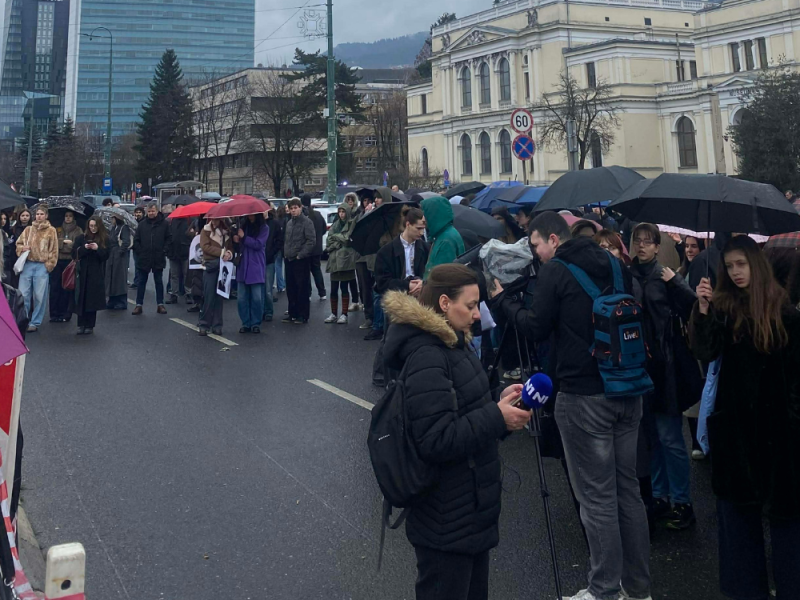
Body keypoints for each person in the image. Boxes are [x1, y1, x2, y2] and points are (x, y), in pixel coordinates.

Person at [492, 212, 651, 600]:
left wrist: (501, 302)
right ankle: (638, 589)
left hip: (584, 395)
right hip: (628, 387)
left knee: (596, 498)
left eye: (535, 246)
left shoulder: (556, 271)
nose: (536, 255)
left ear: (553, 239)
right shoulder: (615, 264)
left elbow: (535, 326)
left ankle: (603, 590)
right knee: (627, 491)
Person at [382, 264, 531, 600]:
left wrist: (501, 407)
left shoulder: (453, 343)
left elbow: (469, 412)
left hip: (469, 513)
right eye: (471, 305)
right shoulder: (427, 355)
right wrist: (495, 417)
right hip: (445, 518)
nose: (478, 315)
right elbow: (436, 439)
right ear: (445, 303)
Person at [690, 235, 800, 600]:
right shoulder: (722, 307)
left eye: (742, 264)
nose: (736, 272)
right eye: (730, 266)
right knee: (738, 526)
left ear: (756, 263)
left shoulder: (784, 312)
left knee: (787, 525)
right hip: (736, 433)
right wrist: (702, 310)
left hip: (780, 433)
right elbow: (704, 351)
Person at [629, 223, 699, 531]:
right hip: (639, 366)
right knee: (652, 439)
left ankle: (682, 501)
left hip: (665, 367)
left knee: (670, 438)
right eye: (638, 241)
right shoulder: (628, 275)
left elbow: (692, 308)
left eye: (648, 242)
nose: (642, 246)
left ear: (658, 247)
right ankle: (659, 496)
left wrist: (676, 284)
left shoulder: (665, 275)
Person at [15, 207, 58, 333]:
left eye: (41, 214)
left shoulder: (51, 230)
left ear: (46, 215)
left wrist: (49, 265)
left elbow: (54, 250)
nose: (39, 216)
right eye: (37, 214)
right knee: (24, 294)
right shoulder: (28, 229)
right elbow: (18, 243)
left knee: (39, 296)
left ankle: (35, 321)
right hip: (28, 264)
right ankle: (24, 319)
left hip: (41, 265)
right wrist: (22, 248)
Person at [72, 217, 110, 334]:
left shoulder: (104, 239)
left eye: (95, 226)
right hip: (82, 271)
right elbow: (74, 253)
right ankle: (81, 324)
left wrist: (97, 249)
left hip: (95, 272)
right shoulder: (81, 238)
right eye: (91, 226)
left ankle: (90, 325)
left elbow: (105, 256)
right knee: (81, 297)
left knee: (91, 299)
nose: (92, 228)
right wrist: (84, 248)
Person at [132, 203, 171, 315]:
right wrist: (140, 251)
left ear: (157, 211)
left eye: (153, 211)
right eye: (149, 211)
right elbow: (137, 239)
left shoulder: (164, 224)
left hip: (158, 257)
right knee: (141, 282)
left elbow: (169, 238)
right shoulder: (142, 224)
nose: (151, 213)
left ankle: (160, 304)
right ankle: (138, 305)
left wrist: (164, 250)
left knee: (158, 282)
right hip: (144, 258)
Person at [282, 198, 315, 324]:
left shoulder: (307, 222)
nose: (293, 210)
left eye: (295, 208)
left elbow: (311, 241)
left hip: (301, 260)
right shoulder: (289, 223)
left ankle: (303, 315)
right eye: (291, 209)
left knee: (302, 288)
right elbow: (287, 240)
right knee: (291, 288)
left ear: (300, 208)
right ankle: (293, 313)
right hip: (289, 259)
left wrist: (301, 255)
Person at [235, 213, 269, 334]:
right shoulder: (243, 225)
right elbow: (239, 246)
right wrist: (237, 241)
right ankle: (245, 322)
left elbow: (258, 244)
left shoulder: (264, 228)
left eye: (253, 214)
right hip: (243, 265)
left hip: (255, 265)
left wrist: (244, 238)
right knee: (241, 298)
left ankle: (255, 323)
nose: (250, 216)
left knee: (257, 298)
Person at [324, 204, 357, 324]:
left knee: (344, 287)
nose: (341, 214)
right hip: (334, 259)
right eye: (340, 212)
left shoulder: (351, 223)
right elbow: (329, 239)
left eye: (343, 212)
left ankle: (344, 314)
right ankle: (333, 313)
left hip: (346, 259)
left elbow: (348, 239)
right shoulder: (336, 224)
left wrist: (337, 239)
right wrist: (339, 240)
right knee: (333, 288)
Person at [198, 218, 233, 335]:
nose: (214, 221)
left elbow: (231, 247)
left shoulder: (226, 232)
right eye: (212, 219)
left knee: (219, 297)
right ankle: (204, 324)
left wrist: (229, 253)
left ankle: (217, 325)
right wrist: (222, 252)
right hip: (210, 266)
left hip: (223, 267)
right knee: (208, 296)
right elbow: (205, 247)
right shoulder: (205, 230)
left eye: (216, 219)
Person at [420, 196, 465, 280]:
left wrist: (424, 285)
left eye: (425, 214)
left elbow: (441, 278)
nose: (423, 219)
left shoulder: (446, 240)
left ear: (434, 214)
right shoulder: (444, 234)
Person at [50, 210, 82, 322]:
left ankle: (65, 313)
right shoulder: (57, 229)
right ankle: (54, 313)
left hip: (70, 262)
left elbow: (76, 245)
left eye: (70, 216)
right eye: (66, 216)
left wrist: (66, 245)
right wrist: (63, 242)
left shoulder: (78, 230)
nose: (68, 218)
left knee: (67, 288)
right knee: (55, 287)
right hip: (57, 261)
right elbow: (53, 243)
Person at [300, 193, 327, 301]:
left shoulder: (304, 216)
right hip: (317, 248)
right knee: (317, 270)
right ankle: (322, 292)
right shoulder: (318, 215)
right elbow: (324, 229)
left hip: (306, 248)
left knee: (306, 272)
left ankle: (309, 293)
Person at [165, 210, 194, 305]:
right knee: (174, 275)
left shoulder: (190, 220)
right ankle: (174, 294)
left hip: (185, 251)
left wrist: (191, 234)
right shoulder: (170, 220)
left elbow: (193, 236)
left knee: (187, 275)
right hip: (173, 251)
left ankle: (188, 294)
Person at [105, 215, 131, 310]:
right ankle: (112, 300)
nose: (111, 220)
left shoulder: (124, 228)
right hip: (111, 255)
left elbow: (126, 242)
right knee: (111, 278)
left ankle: (121, 301)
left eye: (113, 218)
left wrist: (120, 252)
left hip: (119, 257)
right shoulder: (112, 228)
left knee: (119, 279)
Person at [263, 208, 284, 322]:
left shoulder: (274, 223)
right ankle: (260, 311)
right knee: (259, 289)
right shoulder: (257, 224)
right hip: (258, 261)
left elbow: (279, 240)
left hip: (269, 259)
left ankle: (268, 311)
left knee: (267, 289)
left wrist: (272, 253)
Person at [274, 204, 287, 294]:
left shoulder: (276, 221)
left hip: (277, 246)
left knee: (278, 266)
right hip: (285, 246)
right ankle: (286, 284)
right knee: (286, 266)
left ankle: (280, 285)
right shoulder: (287, 221)